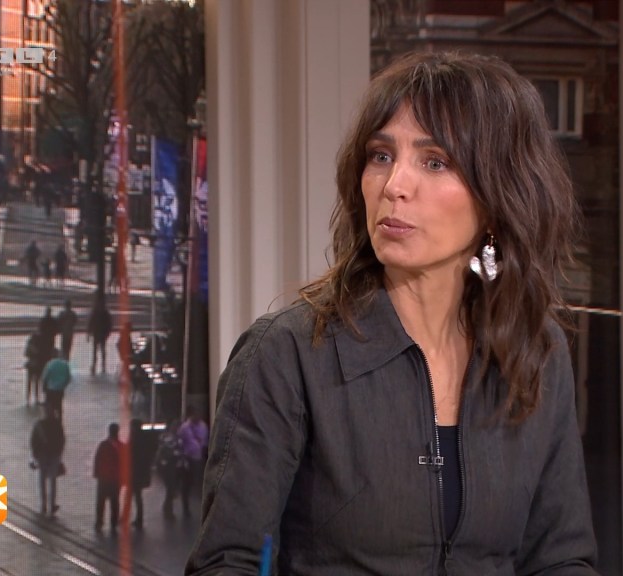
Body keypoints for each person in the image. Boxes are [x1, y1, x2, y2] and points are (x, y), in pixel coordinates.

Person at [185, 52, 598, 575]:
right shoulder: (288, 355)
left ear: (498, 197)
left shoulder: (536, 351)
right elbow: (226, 563)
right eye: (381, 156)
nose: (394, 184)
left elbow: (562, 559)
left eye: (435, 162)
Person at [30, 404, 65, 518]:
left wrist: (35, 455)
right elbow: (62, 440)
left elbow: (33, 441)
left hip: (42, 455)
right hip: (53, 455)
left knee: (42, 480)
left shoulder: (39, 424)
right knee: (52, 481)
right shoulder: (57, 424)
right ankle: (51, 504)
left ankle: (44, 504)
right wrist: (59, 454)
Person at [177, 406, 208, 517]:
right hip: (187, 459)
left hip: (198, 458)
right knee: (186, 484)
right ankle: (186, 508)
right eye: (195, 414)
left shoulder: (203, 426)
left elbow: (205, 442)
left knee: (197, 482)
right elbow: (179, 442)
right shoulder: (184, 428)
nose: (197, 416)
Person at [93, 421, 123, 534]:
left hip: (104, 478)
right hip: (115, 478)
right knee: (114, 502)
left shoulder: (103, 445)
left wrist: (96, 473)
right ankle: (113, 523)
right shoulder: (121, 446)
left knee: (101, 501)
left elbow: (97, 459)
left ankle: (99, 522)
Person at [154, 419, 185, 519]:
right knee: (171, 488)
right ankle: (168, 509)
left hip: (173, 466)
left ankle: (167, 507)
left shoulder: (175, 438)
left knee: (171, 488)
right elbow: (168, 450)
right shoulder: (169, 438)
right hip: (168, 466)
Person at [127, 418, 153, 529]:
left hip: (135, 473)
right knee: (137, 496)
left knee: (134, 496)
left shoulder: (135, 439)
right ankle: (138, 518)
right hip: (141, 473)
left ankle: (135, 518)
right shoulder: (145, 438)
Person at [40, 352, 72, 419]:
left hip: (50, 389)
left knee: (49, 405)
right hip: (60, 389)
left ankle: (50, 419)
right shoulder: (65, 364)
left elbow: (45, 377)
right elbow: (68, 378)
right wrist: (63, 385)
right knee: (59, 404)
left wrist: (44, 387)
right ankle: (59, 419)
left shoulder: (49, 364)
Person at [86, 296, 112, 374]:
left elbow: (90, 323)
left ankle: (95, 366)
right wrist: (107, 333)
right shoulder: (105, 313)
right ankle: (102, 366)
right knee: (102, 351)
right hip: (102, 334)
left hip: (97, 334)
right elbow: (109, 324)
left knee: (96, 351)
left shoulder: (95, 312)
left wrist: (89, 333)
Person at [24, 331, 46, 404]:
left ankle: (28, 399)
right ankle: (35, 399)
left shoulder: (30, 345)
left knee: (30, 382)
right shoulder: (39, 345)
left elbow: (26, 354)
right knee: (36, 382)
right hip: (37, 365)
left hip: (31, 365)